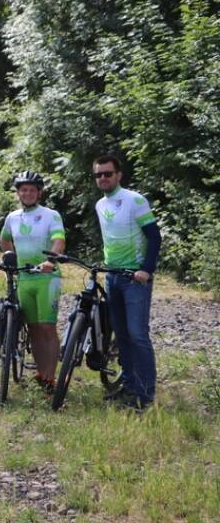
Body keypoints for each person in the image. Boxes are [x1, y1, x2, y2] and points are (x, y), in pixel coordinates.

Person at [93, 154, 161, 410]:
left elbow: (154, 237)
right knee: (121, 335)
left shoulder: (135, 200)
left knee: (137, 335)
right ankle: (129, 387)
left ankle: (145, 395)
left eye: (107, 173)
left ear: (118, 175)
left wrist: (146, 269)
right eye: (98, 175)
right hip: (113, 276)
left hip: (135, 278)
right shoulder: (100, 204)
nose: (103, 178)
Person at [0, 171, 65, 392]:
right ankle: (41, 373)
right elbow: (4, 238)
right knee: (33, 328)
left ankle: (51, 377)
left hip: (47, 277)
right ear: (18, 192)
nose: (27, 193)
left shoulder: (50, 214)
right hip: (25, 277)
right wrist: (10, 257)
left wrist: (50, 260)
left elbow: (59, 240)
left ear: (39, 192)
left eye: (31, 190)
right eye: (23, 189)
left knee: (47, 327)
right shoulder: (12, 217)